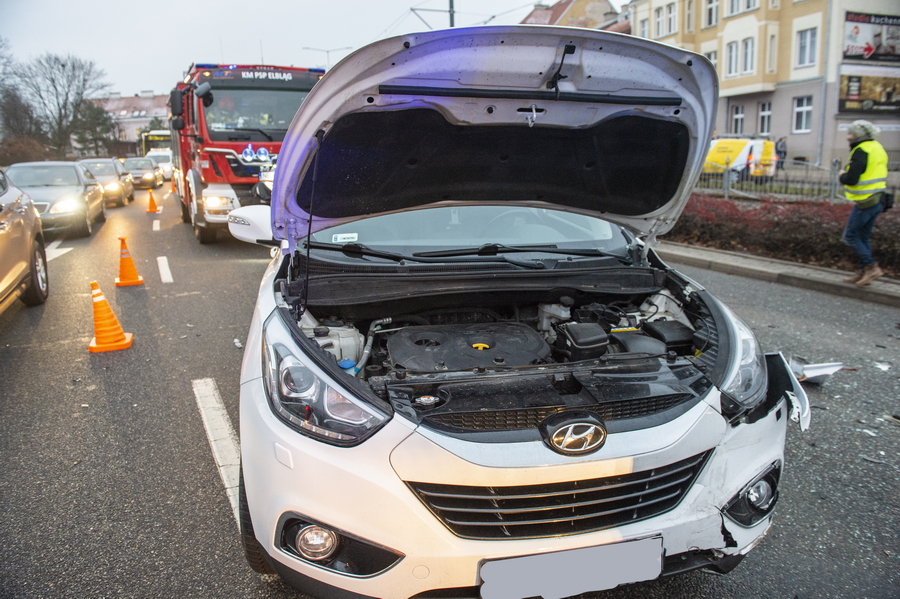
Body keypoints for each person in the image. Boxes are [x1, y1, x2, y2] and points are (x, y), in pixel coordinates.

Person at [840, 120, 889, 286]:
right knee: (863, 236)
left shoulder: (861, 150)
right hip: (878, 198)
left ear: (858, 135)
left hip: (865, 201)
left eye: (850, 134)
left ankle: (871, 267)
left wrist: (842, 175)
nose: (848, 136)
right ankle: (863, 273)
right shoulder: (877, 147)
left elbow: (852, 179)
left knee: (850, 236)